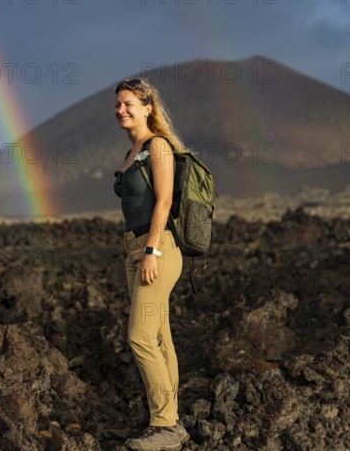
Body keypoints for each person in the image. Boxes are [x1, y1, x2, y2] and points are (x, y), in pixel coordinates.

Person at [114, 78, 190, 451]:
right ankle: (171, 422)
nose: (121, 110)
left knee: (139, 337)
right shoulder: (133, 152)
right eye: (117, 105)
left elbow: (162, 202)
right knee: (158, 336)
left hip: (155, 249)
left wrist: (151, 252)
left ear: (148, 107)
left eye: (128, 103)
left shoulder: (158, 146)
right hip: (136, 248)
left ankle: (165, 424)